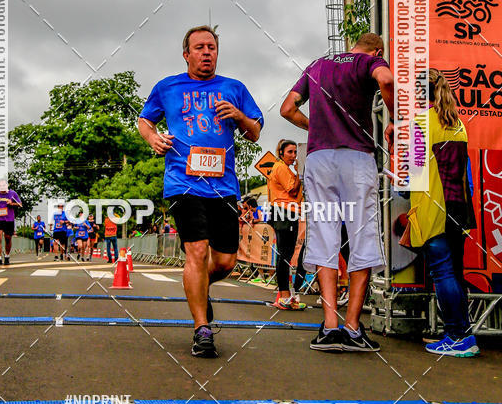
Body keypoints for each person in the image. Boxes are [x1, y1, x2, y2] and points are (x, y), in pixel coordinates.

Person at [138, 24, 263, 358]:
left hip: (223, 187)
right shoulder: (167, 87)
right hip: (184, 182)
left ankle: (199, 287)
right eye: (200, 47)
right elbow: (144, 120)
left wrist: (239, 116)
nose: (207, 52)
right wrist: (153, 138)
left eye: (212, 47)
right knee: (196, 251)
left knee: (225, 262)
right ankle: (202, 329)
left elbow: (255, 132)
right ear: (186, 54)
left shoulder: (234, 88)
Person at [281, 32, 394, 352]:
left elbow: (288, 108)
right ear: (379, 49)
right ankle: (353, 329)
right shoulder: (369, 61)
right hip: (356, 158)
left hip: (319, 159)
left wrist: (314, 127)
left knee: (324, 237)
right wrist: (395, 119)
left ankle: (330, 327)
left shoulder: (317, 65)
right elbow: (386, 81)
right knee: (362, 238)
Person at [407, 69, 478, 357]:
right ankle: (464, 335)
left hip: (433, 207)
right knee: (455, 274)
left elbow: (415, 172)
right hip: (459, 208)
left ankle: (456, 336)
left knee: (443, 273)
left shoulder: (421, 122)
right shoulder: (459, 123)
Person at [267, 140, 306, 311]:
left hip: (286, 211)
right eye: (289, 152)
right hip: (284, 211)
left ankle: (285, 295)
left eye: (295, 152)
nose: (293, 155)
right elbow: (292, 190)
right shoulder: (281, 167)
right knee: (285, 253)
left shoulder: (283, 167)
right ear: (281, 153)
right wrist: (298, 173)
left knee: (286, 254)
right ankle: (283, 296)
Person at [0, 179, 22, 266]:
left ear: (7, 185)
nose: (2, 187)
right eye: (0, 186)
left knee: (8, 238)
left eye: (4, 186)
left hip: (9, 219)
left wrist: (12, 203)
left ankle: (7, 256)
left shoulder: (12, 194)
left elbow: (20, 204)